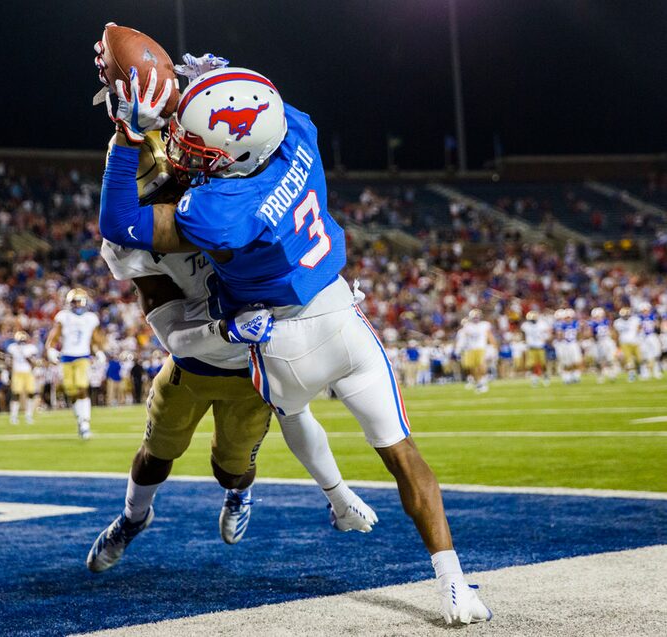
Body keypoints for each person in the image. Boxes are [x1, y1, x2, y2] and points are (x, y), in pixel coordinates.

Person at [94, 54, 490, 624]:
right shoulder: (297, 132)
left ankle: (337, 497)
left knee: (293, 415)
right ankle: (452, 582)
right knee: (402, 454)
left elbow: (120, 222)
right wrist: (212, 80)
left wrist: (127, 136)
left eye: (195, 149)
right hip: (336, 311)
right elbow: (259, 108)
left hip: (276, 337)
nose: (182, 149)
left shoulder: (214, 210)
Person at [45, 289, 106, 439]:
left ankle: (85, 423)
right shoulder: (63, 316)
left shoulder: (91, 318)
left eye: (81, 301)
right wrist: (51, 349)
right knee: (71, 391)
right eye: (75, 301)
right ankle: (80, 420)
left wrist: (98, 351)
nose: (78, 304)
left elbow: (95, 339)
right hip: (66, 357)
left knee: (82, 386)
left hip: (83, 357)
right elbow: (54, 336)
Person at [6, 331, 39, 425]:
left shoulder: (31, 348)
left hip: (28, 372)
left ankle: (28, 415)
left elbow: (34, 362)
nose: (22, 340)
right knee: (16, 394)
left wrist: (27, 357)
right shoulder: (13, 347)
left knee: (31, 393)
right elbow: (9, 360)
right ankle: (14, 416)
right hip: (17, 372)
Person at [521, 310, 551, 386]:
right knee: (531, 364)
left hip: (540, 346)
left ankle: (545, 376)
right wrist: (525, 342)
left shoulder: (542, 324)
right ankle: (534, 378)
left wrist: (546, 338)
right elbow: (523, 334)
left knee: (543, 363)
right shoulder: (525, 325)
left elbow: (548, 333)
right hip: (531, 347)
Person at [614, 307, 641, 382]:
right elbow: (616, 334)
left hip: (635, 342)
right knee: (629, 360)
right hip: (624, 343)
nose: (625, 316)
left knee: (639, 359)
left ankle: (639, 370)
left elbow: (639, 328)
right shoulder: (618, 322)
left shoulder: (635, 320)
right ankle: (631, 375)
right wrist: (617, 344)